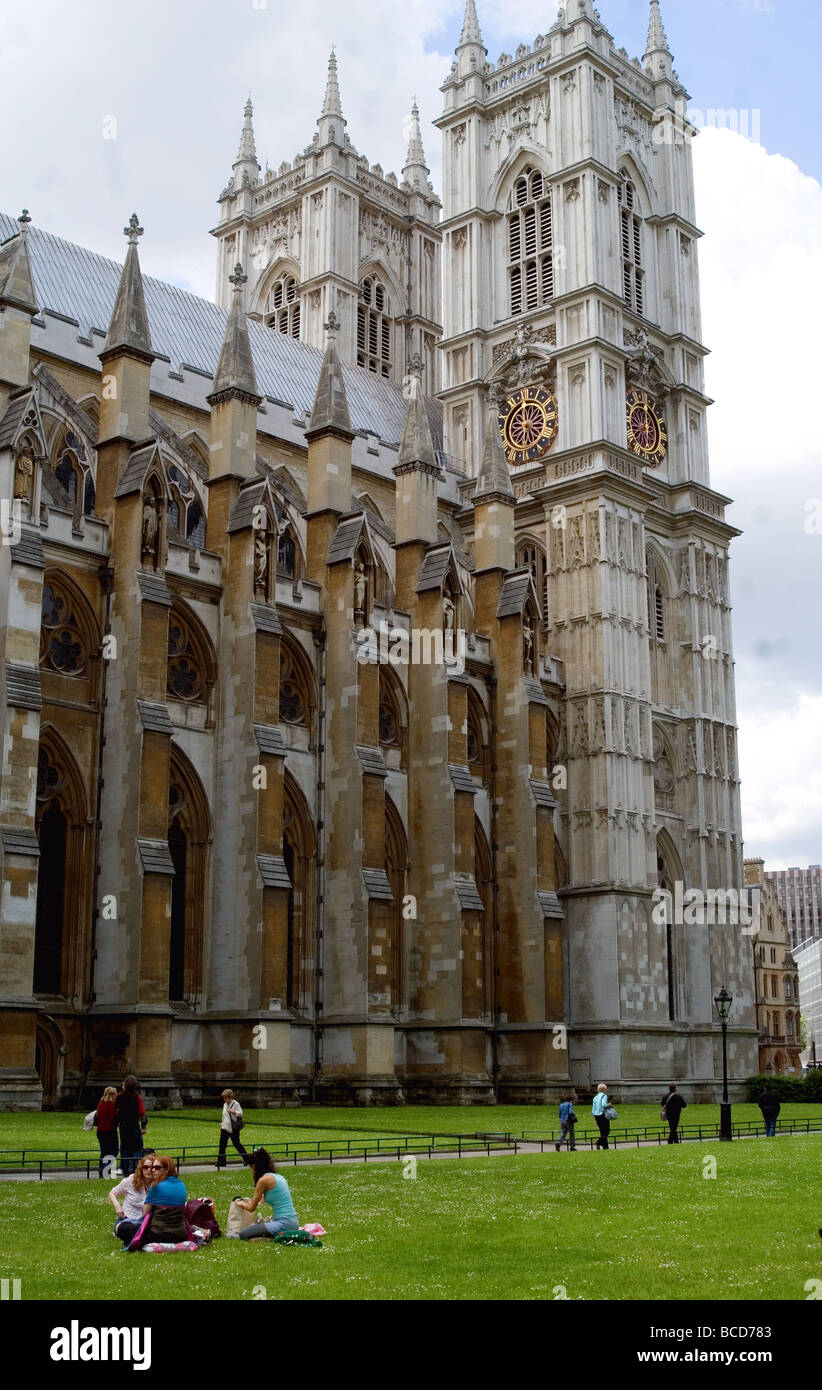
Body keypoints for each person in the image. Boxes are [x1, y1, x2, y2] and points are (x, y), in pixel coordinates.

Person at [234, 1148, 300, 1241]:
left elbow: (251, 1208)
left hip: (283, 1223)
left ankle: (272, 1238)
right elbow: (275, 1195)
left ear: (254, 1166)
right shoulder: (278, 1177)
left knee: (244, 1234)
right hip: (293, 1222)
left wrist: (241, 1203)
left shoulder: (263, 1180)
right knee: (258, 1227)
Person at [108, 1152, 155, 1246]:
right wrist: (117, 1206)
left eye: (152, 1167)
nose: (148, 1170)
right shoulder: (131, 1181)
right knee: (127, 1228)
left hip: (146, 1222)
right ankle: (142, 1236)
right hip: (128, 1220)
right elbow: (112, 1193)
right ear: (141, 1168)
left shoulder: (158, 1185)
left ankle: (141, 1237)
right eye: (145, 1167)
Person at [138, 1155, 188, 1243]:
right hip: (181, 1235)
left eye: (157, 1168)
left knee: (123, 1227)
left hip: (158, 1234)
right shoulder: (182, 1185)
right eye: (152, 1167)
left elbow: (145, 1212)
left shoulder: (155, 1186)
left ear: (167, 1169)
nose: (152, 1170)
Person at [115, 1075, 147, 1176]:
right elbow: (143, 1114)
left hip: (123, 1127)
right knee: (137, 1149)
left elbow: (114, 1112)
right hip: (134, 1126)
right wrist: (143, 1127)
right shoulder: (137, 1098)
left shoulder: (119, 1097)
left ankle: (125, 1171)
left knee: (125, 1149)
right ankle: (136, 1170)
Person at [217, 1088, 249, 1168]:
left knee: (237, 1144)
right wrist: (222, 1125)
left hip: (233, 1128)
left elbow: (241, 1114)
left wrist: (233, 1112)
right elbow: (224, 1116)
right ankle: (222, 1162)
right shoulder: (225, 1104)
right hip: (225, 1128)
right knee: (222, 1145)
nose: (224, 1099)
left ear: (230, 1097)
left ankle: (247, 1160)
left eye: (226, 1098)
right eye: (224, 1098)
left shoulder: (235, 1104)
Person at [95, 1086, 120, 1178]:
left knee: (104, 1151)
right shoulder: (112, 1105)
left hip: (100, 1131)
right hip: (110, 1131)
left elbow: (97, 1116)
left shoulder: (101, 1103)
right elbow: (113, 1118)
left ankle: (102, 1169)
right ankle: (106, 1169)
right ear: (113, 1094)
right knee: (113, 1151)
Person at [592, 1082, 612, 1150]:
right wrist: (608, 1105)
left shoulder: (595, 1098)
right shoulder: (604, 1096)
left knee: (602, 1131)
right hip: (603, 1115)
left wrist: (595, 1119)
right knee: (607, 1130)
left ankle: (605, 1147)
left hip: (597, 1116)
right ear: (604, 1090)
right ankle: (599, 1142)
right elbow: (603, 1105)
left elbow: (593, 1109)